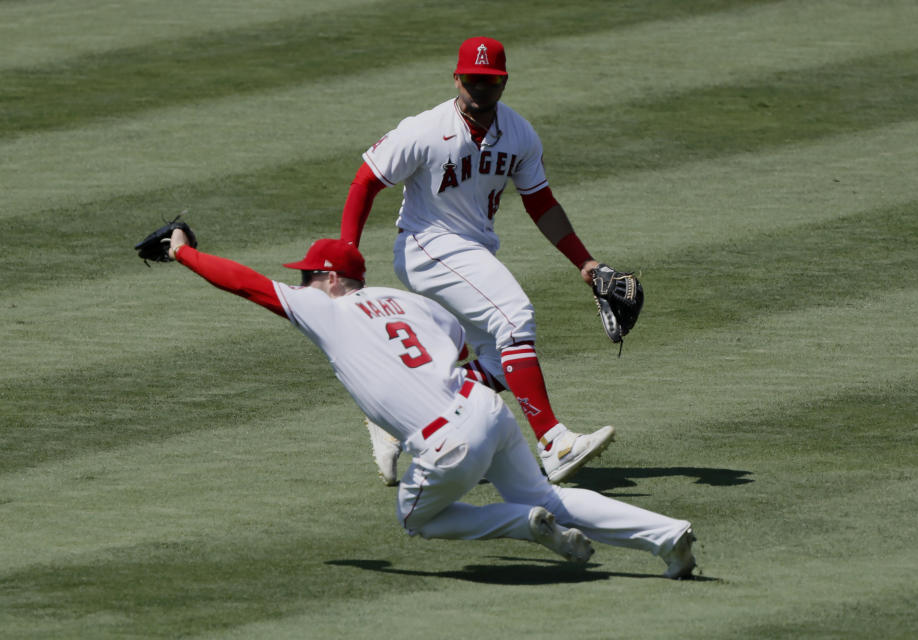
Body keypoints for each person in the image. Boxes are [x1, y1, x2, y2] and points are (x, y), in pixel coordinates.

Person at [162, 229, 698, 578]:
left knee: (417, 518)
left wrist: (183, 251)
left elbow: (245, 284)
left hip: (446, 440)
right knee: (557, 500)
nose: (299, 282)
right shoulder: (413, 302)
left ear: (330, 278)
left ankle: (521, 523)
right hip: (486, 409)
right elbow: (463, 353)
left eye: (307, 274)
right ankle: (668, 535)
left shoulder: (324, 308)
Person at [340, 36, 618, 486]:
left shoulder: (520, 133)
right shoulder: (424, 129)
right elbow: (366, 181)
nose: (479, 90)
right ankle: (554, 443)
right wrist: (347, 253)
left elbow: (541, 202)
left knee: (497, 362)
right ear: (456, 78)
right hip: (427, 245)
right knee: (516, 317)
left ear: (503, 83)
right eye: (471, 80)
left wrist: (583, 262)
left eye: (488, 82)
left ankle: (396, 418)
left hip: (473, 251)